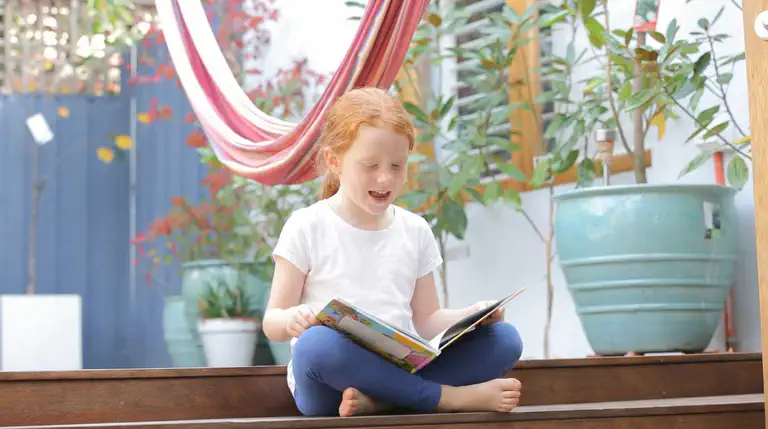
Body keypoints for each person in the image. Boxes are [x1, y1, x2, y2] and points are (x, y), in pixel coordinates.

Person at [262, 87, 524, 417]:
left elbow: (427, 321)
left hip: (398, 370)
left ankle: (382, 402)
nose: (385, 178)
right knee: (316, 346)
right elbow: (272, 321)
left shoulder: (414, 230)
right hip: (331, 382)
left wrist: (472, 317)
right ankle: (446, 398)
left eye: (397, 166)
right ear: (334, 161)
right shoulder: (307, 225)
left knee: (503, 339)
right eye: (370, 165)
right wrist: (292, 319)